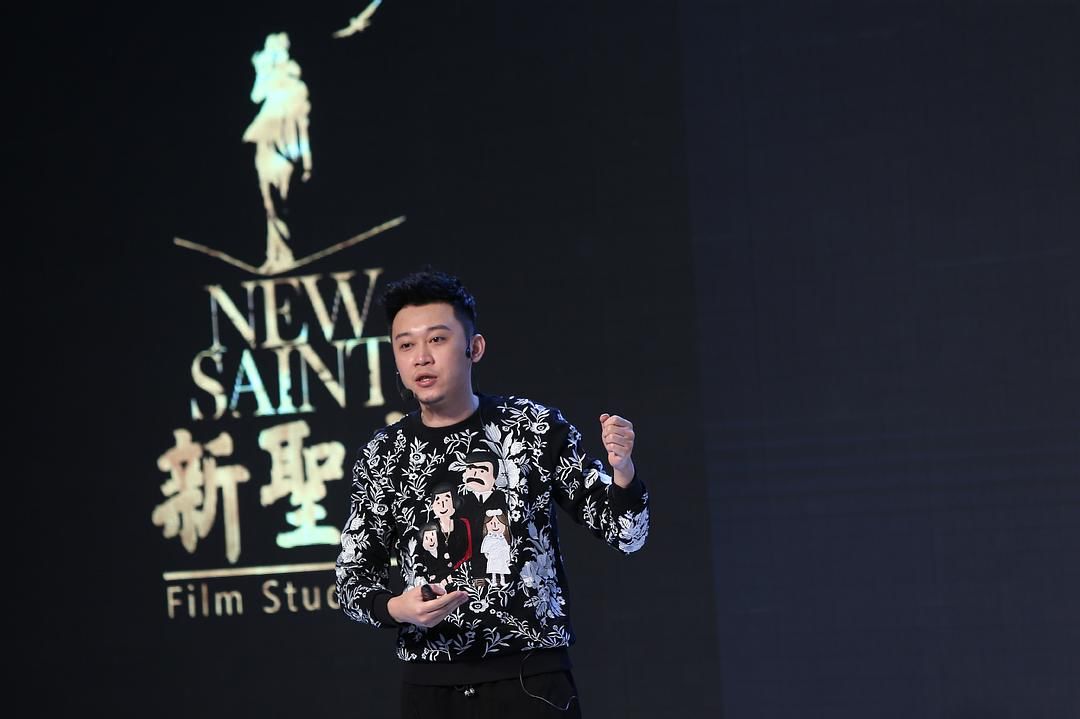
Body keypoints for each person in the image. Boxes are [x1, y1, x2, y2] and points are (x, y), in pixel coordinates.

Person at [336, 270, 650, 718]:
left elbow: (628, 534)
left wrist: (622, 471)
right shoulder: (383, 455)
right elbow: (351, 580)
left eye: (437, 339)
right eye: (405, 345)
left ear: (475, 347)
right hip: (431, 688)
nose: (421, 358)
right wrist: (397, 607)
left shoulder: (532, 428)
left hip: (531, 681)